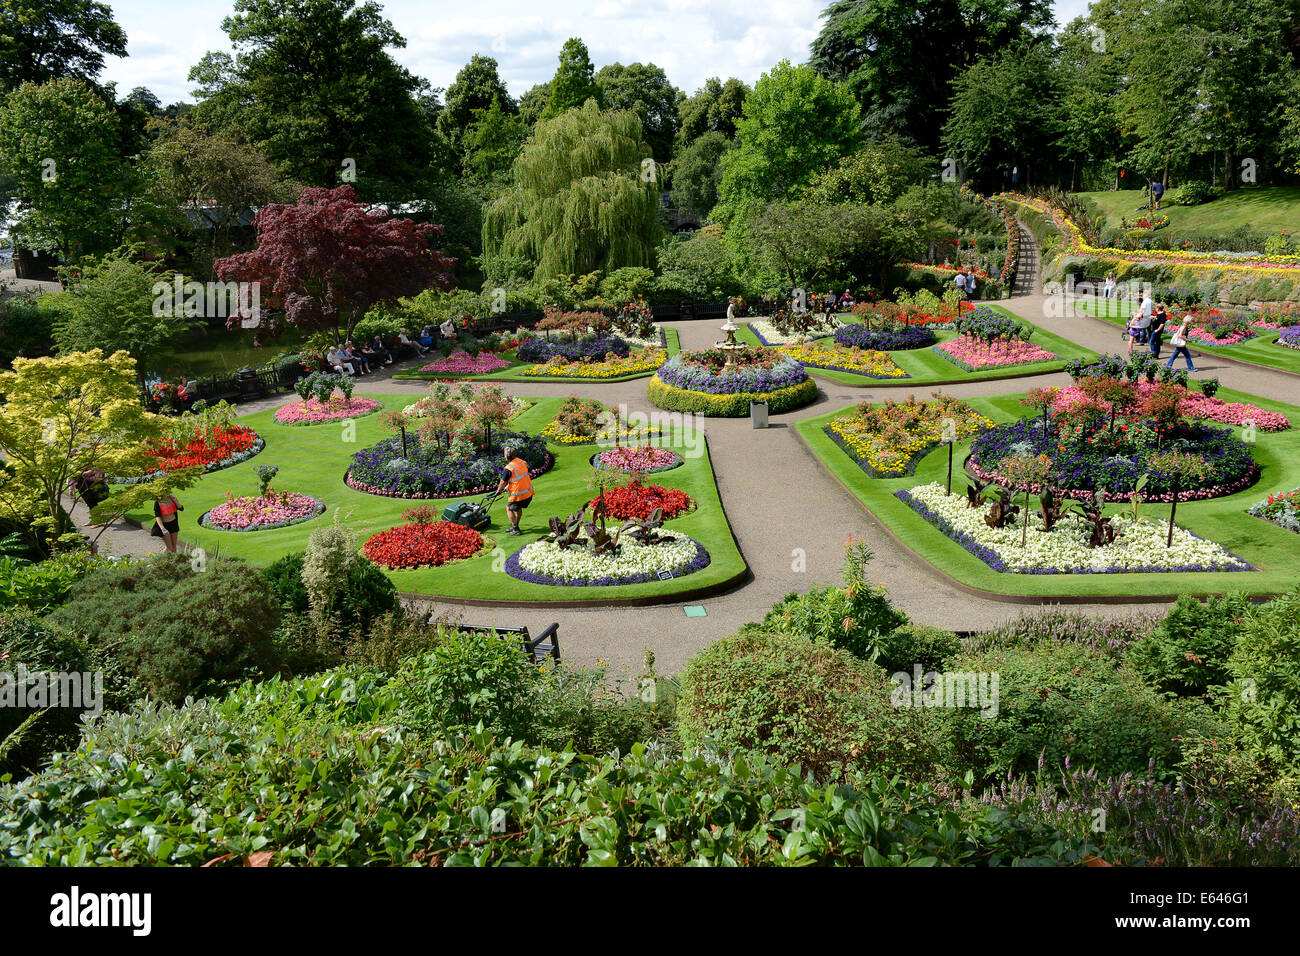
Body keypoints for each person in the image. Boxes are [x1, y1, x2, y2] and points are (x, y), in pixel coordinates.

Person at [494, 445, 534, 537]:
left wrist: (499, 490)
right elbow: (518, 477)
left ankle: (516, 529)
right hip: (528, 493)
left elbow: (502, 481)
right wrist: (509, 486)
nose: (504, 456)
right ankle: (514, 525)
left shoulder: (509, 468)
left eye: (504, 454)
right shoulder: (522, 462)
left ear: (507, 456)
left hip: (518, 495)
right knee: (518, 509)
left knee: (509, 508)